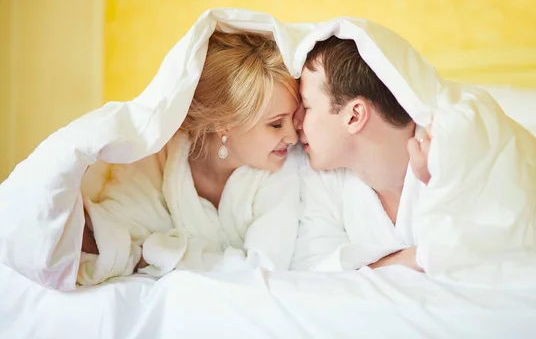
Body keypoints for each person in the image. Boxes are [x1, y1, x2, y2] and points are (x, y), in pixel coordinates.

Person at [78, 30, 302, 285]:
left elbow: (264, 268)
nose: (293, 138)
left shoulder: (285, 168)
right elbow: (112, 236)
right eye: (276, 124)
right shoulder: (162, 158)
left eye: (294, 119)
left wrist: (166, 255)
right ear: (225, 124)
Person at [292, 36, 436, 272]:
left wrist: (434, 185)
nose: (295, 122)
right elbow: (312, 273)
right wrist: (408, 259)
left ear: (354, 116)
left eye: (306, 107)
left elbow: (473, 248)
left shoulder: (442, 150)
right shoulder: (324, 179)